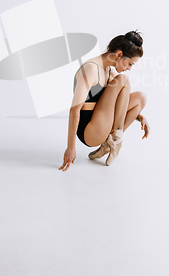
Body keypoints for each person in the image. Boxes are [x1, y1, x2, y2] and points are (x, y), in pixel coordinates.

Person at [59, 30, 150, 171]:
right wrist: (70, 148)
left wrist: (139, 116)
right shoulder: (90, 69)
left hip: (100, 123)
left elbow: (120, 101)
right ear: (119, 54)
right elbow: (74, 109)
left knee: (140, 98)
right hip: (89, 131)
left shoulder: (108, 70)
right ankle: (116, 141)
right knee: (123, 80)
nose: (130, 68)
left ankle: (108, 145)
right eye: (130, 64)